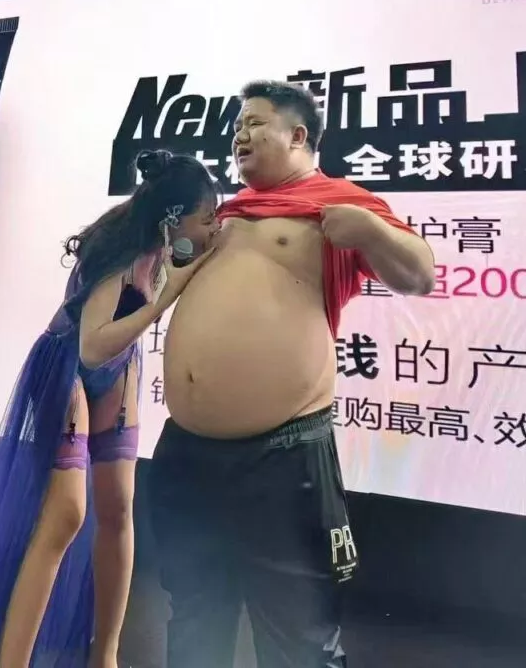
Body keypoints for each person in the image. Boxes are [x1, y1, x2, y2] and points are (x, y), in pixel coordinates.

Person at [149, 80, 436, 668]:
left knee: (299, 634)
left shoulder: (340, 203)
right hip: (187, 451)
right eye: (237, 128)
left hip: (282, 456)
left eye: (254, 124)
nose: (240, 136)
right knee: (194, 612)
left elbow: (420, 275)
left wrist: (371, 231)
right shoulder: (226, 214)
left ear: (297, 134)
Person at [0, 149, 218, 668]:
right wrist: (163, 301)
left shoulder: (163, 249)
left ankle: (105, 657)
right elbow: (92, 346)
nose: (213, 227)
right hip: (67, 366)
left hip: (119, 369)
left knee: (119, 509)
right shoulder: (120, 250)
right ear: (174, 217)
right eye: (207, 216)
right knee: (66, 515)